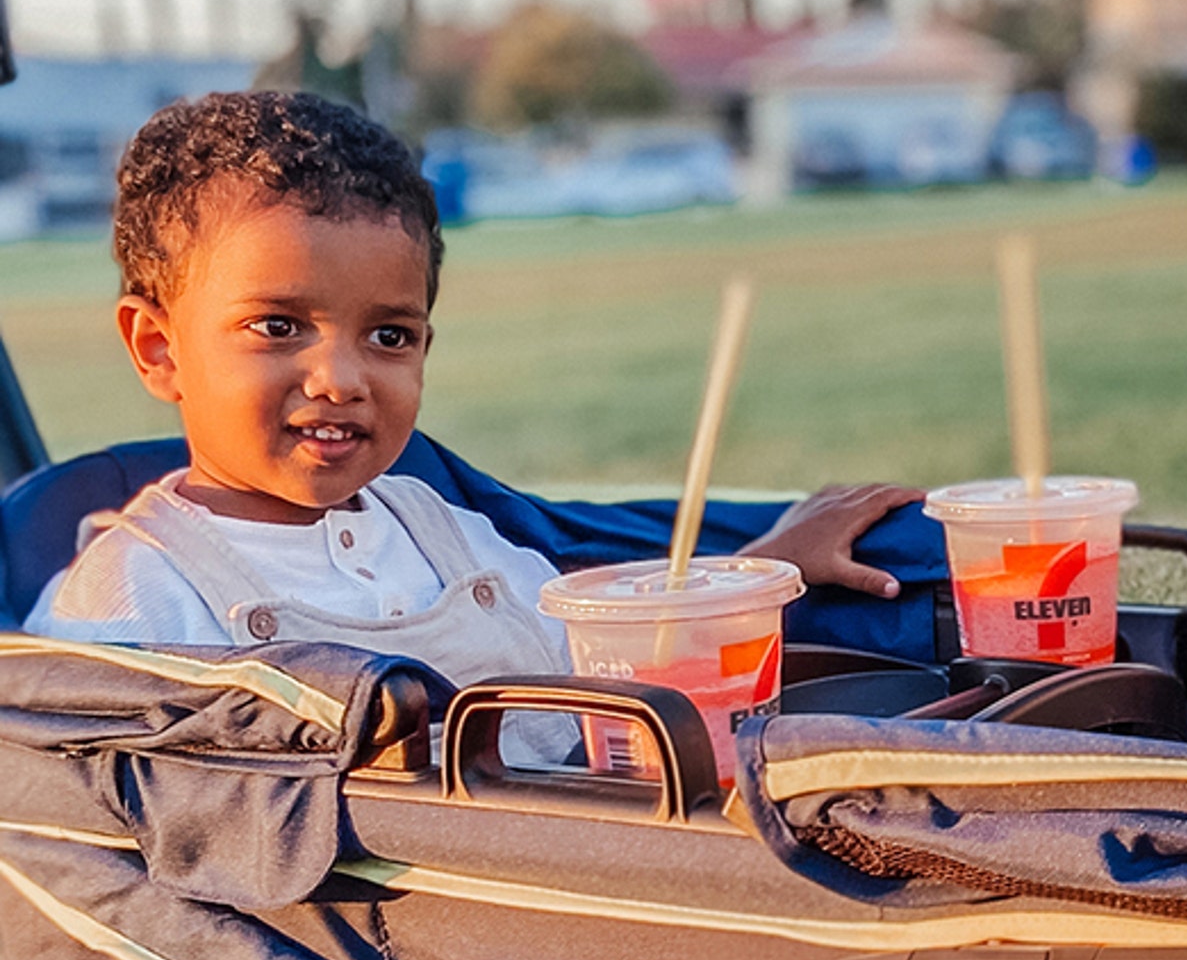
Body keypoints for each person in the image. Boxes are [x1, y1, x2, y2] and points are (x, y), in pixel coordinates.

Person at [26, 90, 916, 680]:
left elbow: (603, 648)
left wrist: (762, 565)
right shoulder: (131, 599)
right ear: (158, 350)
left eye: (389, 335)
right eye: (278, 327)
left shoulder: (439, 528)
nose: (341, 379)